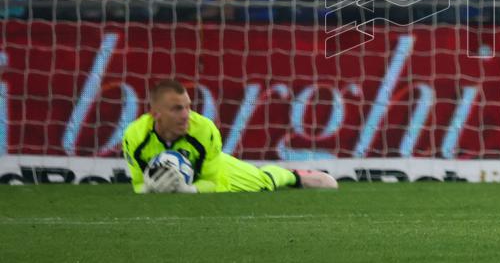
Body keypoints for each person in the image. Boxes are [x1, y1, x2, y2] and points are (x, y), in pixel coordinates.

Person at [123, 79, 338, 193]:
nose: (186, 115)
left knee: (262, 183)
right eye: (177, 109)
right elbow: (138, 184)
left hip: (216, 171)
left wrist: (188, 190)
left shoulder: (204, 130)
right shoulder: (134, 136)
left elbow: (213, 182)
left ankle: (294, 176)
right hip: (191, 177)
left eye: (188, 107)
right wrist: (150, 187)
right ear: (156, 114)